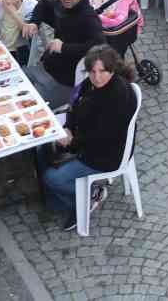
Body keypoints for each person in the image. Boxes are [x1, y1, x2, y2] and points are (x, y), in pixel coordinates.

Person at [34, 44, 139, 228]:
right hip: (84, 141)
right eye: (92, 72)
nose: (96, 77)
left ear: (112, 69)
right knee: (40, 149)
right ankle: (59, 201)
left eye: (102, 72)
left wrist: (72, 141)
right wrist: (67, 128)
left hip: (103, 155)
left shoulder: (118, 96)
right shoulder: (91, 83)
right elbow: (74, 105)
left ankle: (88, 197)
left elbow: (102, 136)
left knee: (51, 178)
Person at [25, 0, 106, 107]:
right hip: (44, 67)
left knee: (26, 105)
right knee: (9, 82)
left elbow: (100, 46)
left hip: (65, 82)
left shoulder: (88, 17)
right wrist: (34, 22)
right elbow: (44, 3)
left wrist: (64, 47)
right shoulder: (60, 3)